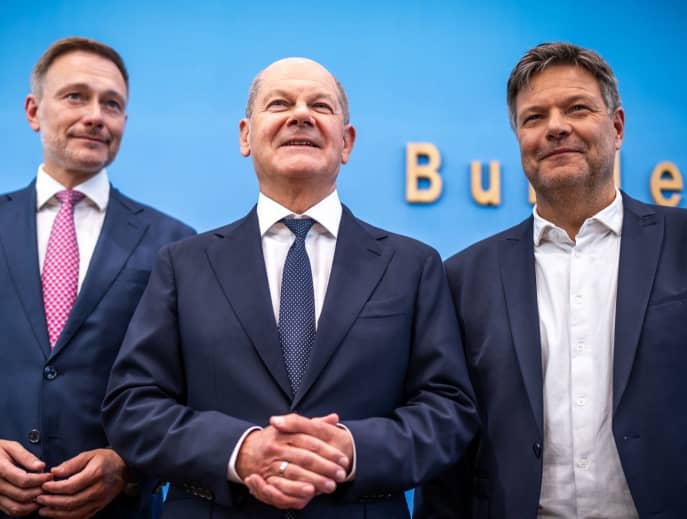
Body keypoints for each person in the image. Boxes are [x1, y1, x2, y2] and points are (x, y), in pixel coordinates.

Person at [101, 57, 478, 518]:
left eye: (320, 105)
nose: (301, 114)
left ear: (347, 141)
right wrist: (239, 450)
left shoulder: (412, 266)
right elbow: (133, 406)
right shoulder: (183, 264)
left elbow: (449, 410)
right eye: (280, 103)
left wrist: (351, 449)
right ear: (245, 135)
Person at [414, 42, 687, 519]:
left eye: (577, 108)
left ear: (616, 127)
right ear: (519, 138)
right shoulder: (461, 277)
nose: (556, 127)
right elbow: (450, 441)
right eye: (534, 117)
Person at [0, 36, 195, 518]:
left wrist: (130, 467)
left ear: (124, 123)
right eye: (76, 96)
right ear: (33, 110)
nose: (95, 115)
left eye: (112, 104)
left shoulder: (174, 243)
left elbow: (191, 389)